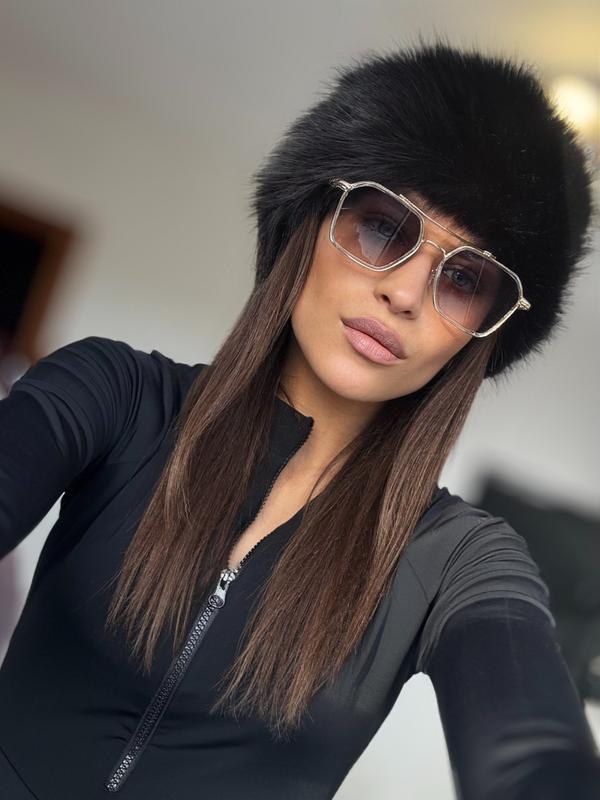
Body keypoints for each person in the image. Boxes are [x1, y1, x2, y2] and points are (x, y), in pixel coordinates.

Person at [1, 38, 599, 800]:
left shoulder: (457, 560)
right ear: (311, 219)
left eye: (464, 278)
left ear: (482, 333)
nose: (405, 294)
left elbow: (535, 759)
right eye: (384, 228)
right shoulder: (114, 394)